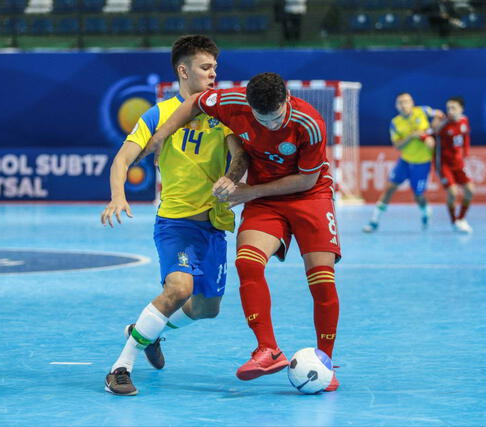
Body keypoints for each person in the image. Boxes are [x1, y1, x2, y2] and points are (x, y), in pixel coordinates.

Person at [145, 72, 341, 392]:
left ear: (287, 100)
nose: (270, 125)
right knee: (248, 263)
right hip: (265, 201)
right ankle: (268, 349)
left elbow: (306, 181)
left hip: (309, 197)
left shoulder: (309, 123)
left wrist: (250, 191)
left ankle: (325, 362)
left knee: (321, 279)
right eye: (262, 119)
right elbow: (196, 102)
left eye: (276, 118)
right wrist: (162, 134)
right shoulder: (233, 102)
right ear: (250, 107)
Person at [101, 34, 248, 396]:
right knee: (179, 289)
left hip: (213, 226)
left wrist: (230, 178)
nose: (214, 73)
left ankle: (150, 332)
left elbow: (239, 157)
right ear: (184, 71)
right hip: (176, 223)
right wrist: (117, 195)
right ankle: (120, 367)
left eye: (215, 67)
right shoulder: (159, 114)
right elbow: (123, 158)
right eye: (205, 67)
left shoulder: (222, 113)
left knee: (207, 308)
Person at [363, 93, 442, 233]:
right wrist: (411, 136)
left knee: (418, 196)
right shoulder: (395, 123)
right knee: (389, 188)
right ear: (396, 106)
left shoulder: (423, 111)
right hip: (405, 161)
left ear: (412, 103)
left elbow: (440, 114)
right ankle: (374, 221)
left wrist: (433, 128)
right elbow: (397, 145)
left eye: (406, 102)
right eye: (400, 103)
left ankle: (425, 212)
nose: (404, 105)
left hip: (422, 163)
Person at [432, 96, 474, 233]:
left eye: (453, 108)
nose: (450, 111)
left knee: (470, 191)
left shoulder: (464, 120)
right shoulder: (443, 124)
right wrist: (435, 123)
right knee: (453, 193)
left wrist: (466, 153)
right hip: (443, 164)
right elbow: (431, 132)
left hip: (458, 163)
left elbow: (466, 136)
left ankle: (461, 218)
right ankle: (453, 221)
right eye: (448, 108)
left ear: (461, 109)